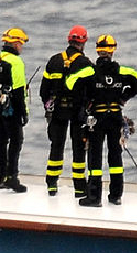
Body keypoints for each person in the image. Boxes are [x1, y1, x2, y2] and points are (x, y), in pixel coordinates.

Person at [65, 34, 137, 207]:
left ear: (97, 50)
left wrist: (87, 97)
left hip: (96, 118)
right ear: (113, 50)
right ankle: (115, 195)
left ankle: (94, 197)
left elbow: (70, 84)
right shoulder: (122, 71)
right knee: (115, 156)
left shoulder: (90, 72)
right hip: (115, 117)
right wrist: (124, 96)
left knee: (95, 156)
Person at [38, 25, 94, 197]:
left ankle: (52, 184)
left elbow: (43, 91)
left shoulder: (54, 60)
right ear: (83, 42)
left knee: (56, 146)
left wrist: (49, 106)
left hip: (57, 110)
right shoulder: (85, 63)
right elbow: (91, 91)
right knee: (79, 148)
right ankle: (79, 187)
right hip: (77, 111)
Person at [0, 27, 30, 193]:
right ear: (16, 43)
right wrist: (23, 112)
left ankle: (2, 177)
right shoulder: (16, 62)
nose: (22, 47)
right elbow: (18, 91)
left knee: (1, 141)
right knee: (16, 140)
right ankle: (13, 177)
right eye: (21, 43)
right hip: (11, 110)